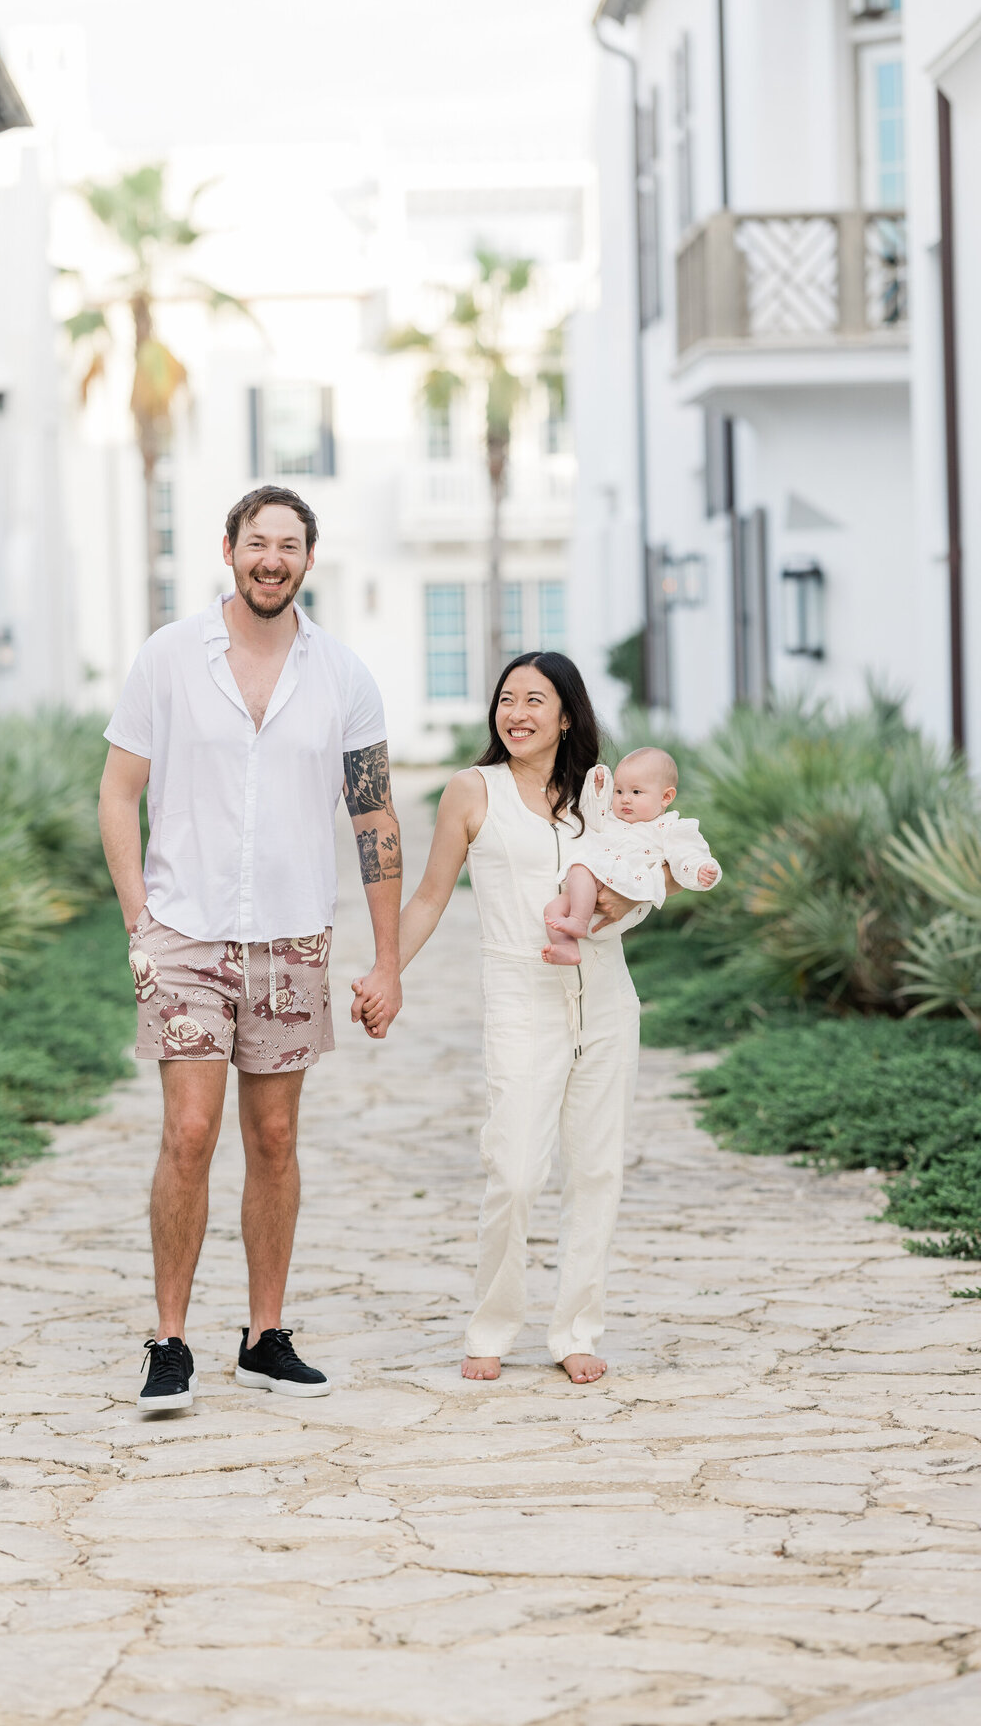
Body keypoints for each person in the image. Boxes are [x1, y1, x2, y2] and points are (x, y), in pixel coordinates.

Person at [99, 485, 403, 1414]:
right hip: (186, 932)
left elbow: (375, 815)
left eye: (290, 545)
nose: (272, 559)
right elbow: (119, 794)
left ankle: (265, 1336)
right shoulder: (168, 658)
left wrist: (387, 960)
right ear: (226, 548)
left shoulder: (343, 675)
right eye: (257, 542)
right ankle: (170, 1341)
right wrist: (139, 919)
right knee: (188, 1134)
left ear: (310, 560)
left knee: (273, 1137)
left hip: (291, 937)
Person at [360, 652, 673, 1385]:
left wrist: (637, 899)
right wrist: (385, 972)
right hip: (519, 993)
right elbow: (433, 897)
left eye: (537, 699)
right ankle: (493, 1323)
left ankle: (575, 1329)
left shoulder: (601, 790)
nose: (518, 712)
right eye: (507, 698)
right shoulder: (473, 791)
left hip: (605, 993)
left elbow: (654, 861)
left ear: (568, 714)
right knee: (515, 1167)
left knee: (596, 1168)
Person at [542, 747, 721, 963]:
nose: (625, 799)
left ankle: (578, 921)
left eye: (636, 792)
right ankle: (567, 948)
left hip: (626, 890)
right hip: (591, 892)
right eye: (618, 791)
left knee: (580, 867)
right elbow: (592, 818)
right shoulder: (612, 820)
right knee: (552, 909)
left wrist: (700, 868)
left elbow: (687, 852)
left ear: (666, 797)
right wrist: (599, 789)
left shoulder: (668, 828)